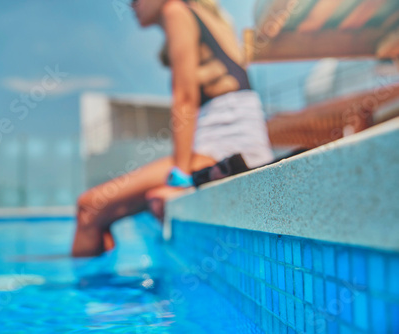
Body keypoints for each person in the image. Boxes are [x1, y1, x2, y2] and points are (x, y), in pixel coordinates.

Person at [72, 0, 273, 257]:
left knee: (88, 209)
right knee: (101, 215)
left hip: (228, 150)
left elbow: (185, 99)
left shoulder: (175, 10)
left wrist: (181, 179)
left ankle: (79, 295)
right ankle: (100, 290)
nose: (130, 4)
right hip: (232, 146)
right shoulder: (205, 16)